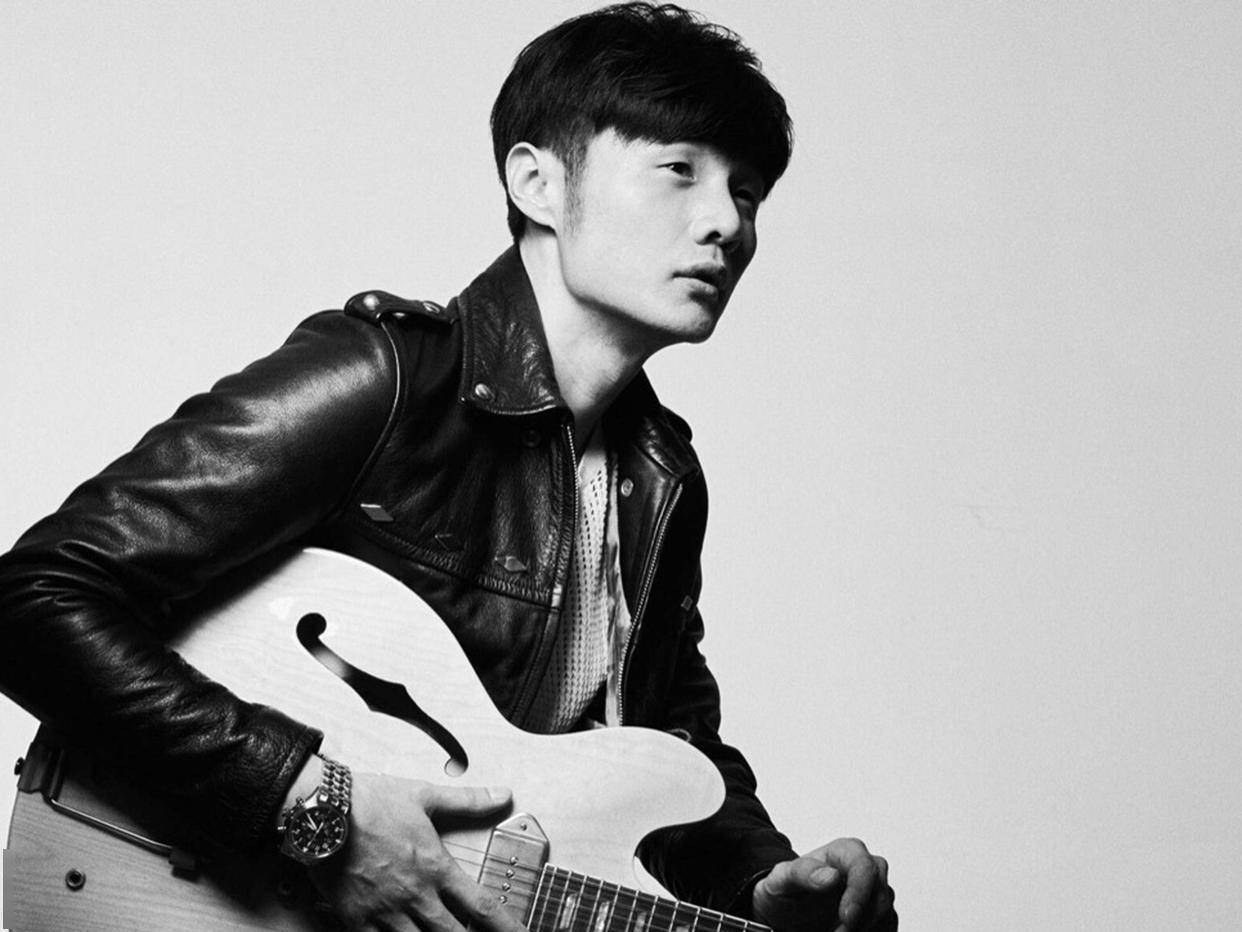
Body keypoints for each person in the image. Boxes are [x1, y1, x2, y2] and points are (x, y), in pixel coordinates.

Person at [0, 4, 896, 931]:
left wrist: (761, 882)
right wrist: (314, 809)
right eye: (680, 170)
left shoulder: (661, 481)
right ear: (538, 183)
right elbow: (32, 600)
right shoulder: (387, 379)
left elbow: (667, 746)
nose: (726, 224)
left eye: (748, 193)